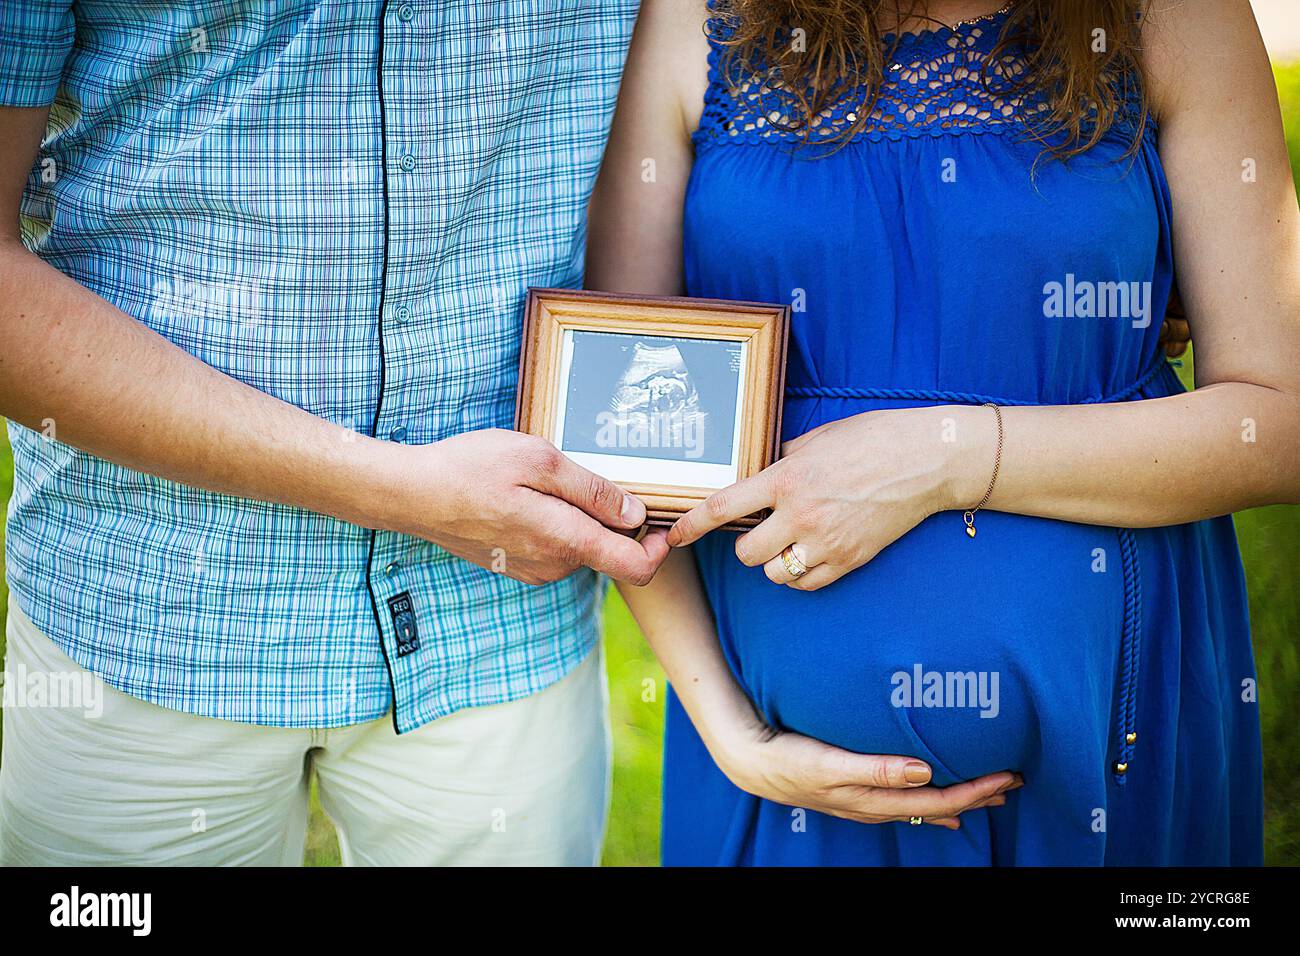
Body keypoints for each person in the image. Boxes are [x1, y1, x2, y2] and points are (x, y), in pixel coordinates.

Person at [589, 0, 1298, 864]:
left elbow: (1278, 421)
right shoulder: (694, 21)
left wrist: (943, 459)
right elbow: (612, 426)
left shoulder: (1172, 20)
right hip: (781, 786)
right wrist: (733, 737)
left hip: (1107, 748)